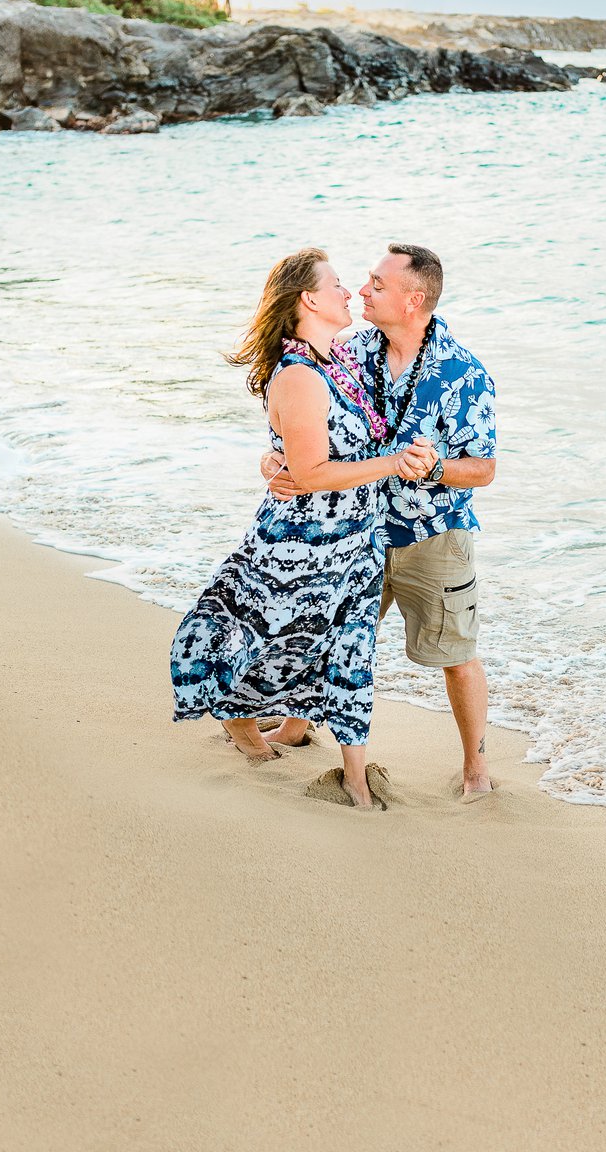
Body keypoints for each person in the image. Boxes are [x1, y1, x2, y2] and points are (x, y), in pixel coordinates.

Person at [170, 247, 429, 808]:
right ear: (309, 299)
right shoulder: (299, 374)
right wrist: (392, 463)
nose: (348, 292)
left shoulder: (342, 360)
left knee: (351, 655)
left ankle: (355, 776)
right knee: (265, 639)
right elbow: (309, 474)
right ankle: (240, 722)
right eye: (336, 284)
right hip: (301, 546)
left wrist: (272, 458)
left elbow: (302, 448)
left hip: (356, 542)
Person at [262, 244, 497, 797]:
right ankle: (296, 728)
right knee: (328, 635)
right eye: (366, 281)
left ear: (413, 300)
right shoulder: (350, 351)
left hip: (431, 535)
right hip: (352, 528)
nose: (363, 291)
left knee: (456, 655)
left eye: (378, 284)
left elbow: (483, 469)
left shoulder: (464, 373)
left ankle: (476, 767)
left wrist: (434, 467)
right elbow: (302, 420)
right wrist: (272, 460)